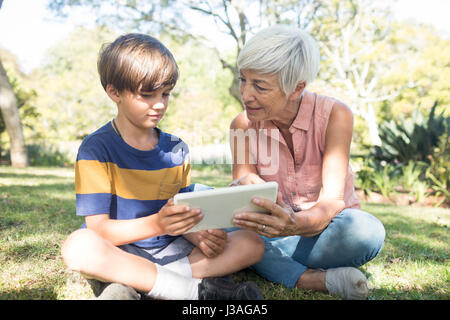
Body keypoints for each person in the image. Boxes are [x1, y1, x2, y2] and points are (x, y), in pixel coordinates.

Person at [61, 33, 265, 300]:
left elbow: (179, 213)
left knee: (251, 243)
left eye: (165, 94)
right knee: (78, 247)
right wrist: (159, 224)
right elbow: (100, 230)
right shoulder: (96, 150)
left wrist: (196, 234)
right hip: (121, 251)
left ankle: (140, 286)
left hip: (171, 250)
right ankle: (191, 291)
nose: (159, 104)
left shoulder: (176, 149)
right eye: (147, 95)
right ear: (114, 92)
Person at [229, 25, 386, 300]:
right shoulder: (242, 124)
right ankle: (307, 278)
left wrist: (295, 224)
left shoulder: (335, 114)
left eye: (260, 86)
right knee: (196, 196)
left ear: (297, 88)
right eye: (243, 80)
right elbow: (240, 183)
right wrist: (245, 185)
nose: (246, 94)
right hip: (265, 229)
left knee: (366, 232)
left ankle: (255, 257)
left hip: (322, 232)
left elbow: (332, 201)